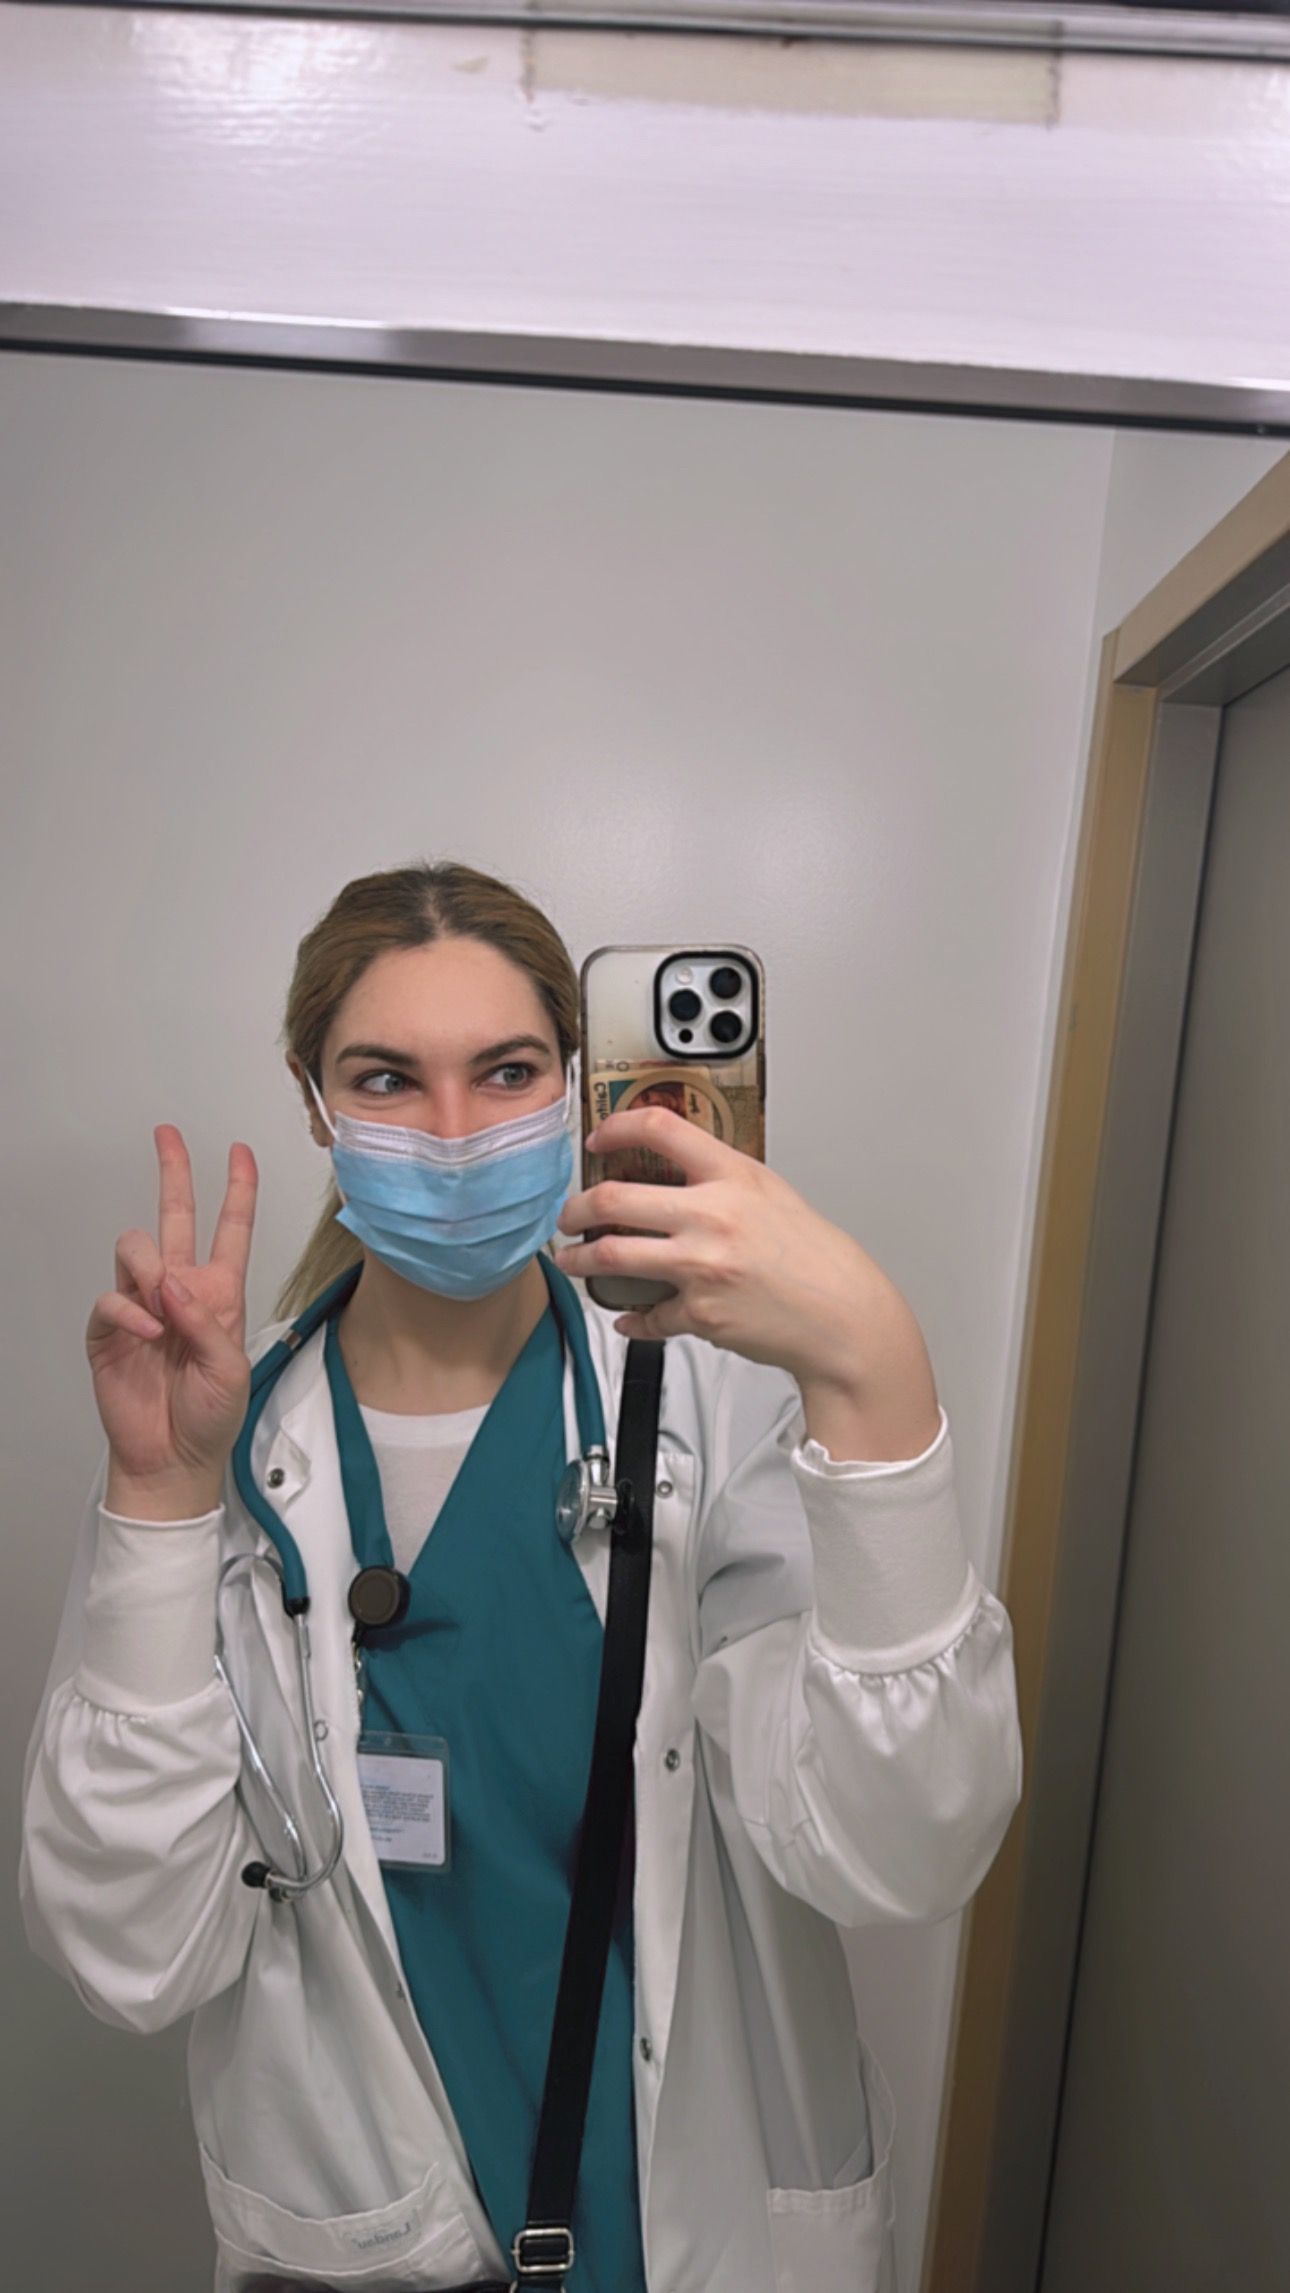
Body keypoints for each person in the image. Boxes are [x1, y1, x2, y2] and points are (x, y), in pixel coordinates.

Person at [22, 860, 1022, 2293]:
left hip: (686, 2226)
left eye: (505, 1071)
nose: (451, 1135)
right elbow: (132, 1956)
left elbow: (903, 1849)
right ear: (312, 1099)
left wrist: (872, 1367)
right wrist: (162, 1502)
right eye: (385, 1078)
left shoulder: (713, 1407)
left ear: (573, 1084)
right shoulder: (220, 1449)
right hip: (366, 2244)